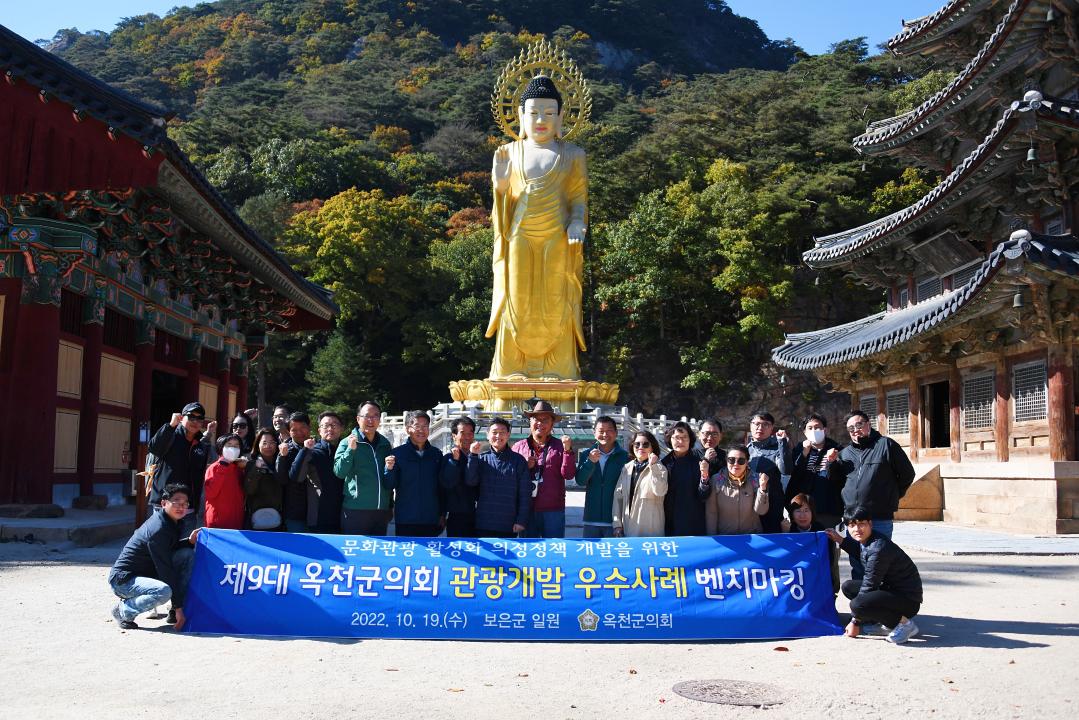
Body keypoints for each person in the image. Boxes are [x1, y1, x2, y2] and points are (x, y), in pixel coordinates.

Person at [487, 75, 588, 380]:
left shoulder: (572, 154)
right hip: (518, 235)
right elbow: (503, 200)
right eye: (533, 112)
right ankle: (510, 368)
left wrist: (576, 222)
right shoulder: (508, 152)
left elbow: (577, 198)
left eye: (548, 112)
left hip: (557, 236)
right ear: (520, 116)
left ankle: (559, 369)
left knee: (556, 298)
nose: (540, 119)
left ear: (560, 117)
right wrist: (501, 185)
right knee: (515, 298)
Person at [833, 410, 916, 578]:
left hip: (879, 517)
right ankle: (860, 601)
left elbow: (907, 474)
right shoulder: (845, 454)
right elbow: (838, 482)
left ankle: (880, 601)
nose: (855, 430)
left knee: (879, 561)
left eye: (859, 425)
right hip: (853, 520)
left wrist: (891, 496)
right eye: (851, 428)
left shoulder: (886, 445)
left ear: (868, 424)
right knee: (857, 561)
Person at [108, 483, 199, 631]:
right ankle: (123, 610)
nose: (181, 507)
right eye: (176, 503)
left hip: (147, 572)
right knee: (162, 591)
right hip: (123, 580)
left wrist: (188, 542)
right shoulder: (158, 529)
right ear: (163, 503)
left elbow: (169, 549)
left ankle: (178, 608)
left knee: (186, 555)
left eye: (185, 504)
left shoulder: (172, 522)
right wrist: (178, 607)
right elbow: (165, 569)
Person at [826, 505, 923, 644]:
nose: (857, 529)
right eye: (852, 525)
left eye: (862, 524)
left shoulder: (878, 548)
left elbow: (870, 585)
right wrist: (839, 539)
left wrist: (855, 621)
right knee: (848, 587)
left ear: (870, 523)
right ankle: (888, 623)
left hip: (908, 600)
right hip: (892, 591)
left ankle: (905, 625)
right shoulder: (868, 540)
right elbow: (860, 552)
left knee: (858, 604)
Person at [147, 402, 215, 536]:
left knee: (185, 548)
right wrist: (171, 425)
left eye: (199, 418)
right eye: (191, 417)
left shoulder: (200, 443)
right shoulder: (171, 435)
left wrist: (208, 436)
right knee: (161, 546)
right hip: (165, 505)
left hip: (188, 508)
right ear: (182, 418)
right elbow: (154, 448)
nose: (195, 422)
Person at [512, 399, 575, 538]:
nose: (540, 423)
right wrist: (525, 467)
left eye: (545, 420)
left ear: (552, 424)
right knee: (529, 552)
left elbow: (569, 474)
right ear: (530, 422)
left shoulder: (560, 446)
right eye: (536, 419)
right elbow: (511, 478)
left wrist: (567, 451)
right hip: (525, 509)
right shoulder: (518, 447)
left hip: (553, 509)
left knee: (554, 551)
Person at [466, 417, 532, 538]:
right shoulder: (481, 458)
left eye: (502, 432)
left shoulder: (518, 461)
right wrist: (473, 456)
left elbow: (525, 494)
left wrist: (521, 520)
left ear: (508, 435)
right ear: (487, 435)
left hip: (508, 523)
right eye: (494, 432)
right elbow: (471, 481)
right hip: (483, 522)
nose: (498, 436)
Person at [335, 401, 394, 535]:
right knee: (355, 552)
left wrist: (390, 504)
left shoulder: (385, 444)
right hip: (355, 510)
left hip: (381, 511)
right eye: (367, 416)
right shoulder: (347, 442)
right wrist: (350, 450)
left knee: (377, 553)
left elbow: (387, 477)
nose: (371, 420)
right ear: (358, 418)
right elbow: (339, 472)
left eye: (375, 416)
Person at [384, 411, 445, 537]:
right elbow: (389, 484)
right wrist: (388, 469)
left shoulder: (436, 454)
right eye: (417, 426)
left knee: (431, 555)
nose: (421, 430)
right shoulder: (397, 454)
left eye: (425, 426)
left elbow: (442, 487)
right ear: (408, 429)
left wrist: (442, 514)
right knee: (407, 553)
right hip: (406, 518)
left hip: (431, 517)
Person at [289, 411, 346, 534]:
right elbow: (296, 476)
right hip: (319, 515)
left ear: (342, 428)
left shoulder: (349, 450)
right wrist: (305, 450)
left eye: (334, 425)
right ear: (319, 430)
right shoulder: (313, 450)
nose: (330, 429)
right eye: (325, 426)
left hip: (346, 513)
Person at [575, 415, 629, 538]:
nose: (605, 435)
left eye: (609, 431)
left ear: (616, 433)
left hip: (616, 520)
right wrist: (590, 462)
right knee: (590, 556)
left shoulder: (625, 457)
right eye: (601, 431)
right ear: (594, 433)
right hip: (591, 519)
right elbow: (580, 481)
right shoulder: (586, 455)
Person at [786, 413, 844, 527]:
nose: (814, 430)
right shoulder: (798, 450)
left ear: (825, 430)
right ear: (804, 432)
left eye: (817, 427)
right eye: (810, 428)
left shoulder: (837, 450)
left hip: (829, 509)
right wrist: (803, 454)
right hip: (802, 510)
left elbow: (840, 478)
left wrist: (832, 462)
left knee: (828, 543)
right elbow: (793, 476)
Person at [700, 444, 770, 535]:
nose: (736, 464)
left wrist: (763, 488)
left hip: (752, 535)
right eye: (731, 460)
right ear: (726, 461)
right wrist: (713, 540)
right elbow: (711, 513)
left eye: (741, 461)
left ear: (747, 462)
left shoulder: (757, 479)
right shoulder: (716, 480)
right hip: (725, 537)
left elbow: (761, 511)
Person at [612, 431, 667, 537]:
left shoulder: (660, 468)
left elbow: (660, 491)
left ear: (652, 447)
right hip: (628, 528)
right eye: (637, 444)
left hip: (651, 531)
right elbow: (618, 498)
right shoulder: (626, 468)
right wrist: (617, 525)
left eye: (645, 444)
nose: (640, 447)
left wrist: (653, 466)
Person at [784, 492, 840, 594]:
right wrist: (786, 534)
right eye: (798, 511)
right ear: (792, 514)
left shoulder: (821, 531)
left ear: (812, 512)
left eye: (806, 510)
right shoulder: (788, 529)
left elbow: (829, 561)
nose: (802, 515)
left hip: (817, 577)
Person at [746, 412, 789, 533]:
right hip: (747, 504)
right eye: (757, 424)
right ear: (750, 426)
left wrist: (782, 443)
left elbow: (785, 470)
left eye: (765, 424)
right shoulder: (746, 449)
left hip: (772, 505)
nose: (760, 428)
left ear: (772, 428)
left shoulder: (778, 447)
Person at [662, 421, 707, 536]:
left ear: (690, 440)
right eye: (676, 438)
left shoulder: (699, 462)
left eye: (684, 438)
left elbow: (704, 495)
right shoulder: (663, 464)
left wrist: (704, 477)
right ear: (669, 439)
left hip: (693, 519)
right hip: (669, 519)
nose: (680, 441)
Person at [440, 416, 478, 538]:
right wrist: (455, 462)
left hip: (478, 514)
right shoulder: (448, 458)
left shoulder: (478, 457)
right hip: (457, 514)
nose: (467, 437)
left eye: (470, 433)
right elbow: (446, 485)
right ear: (454, 435)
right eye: (463, 433)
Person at [203, 433, 246, 530]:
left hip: (236, 520)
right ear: (221, 447)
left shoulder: (238, 468)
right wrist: (222, 467)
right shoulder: (214, 467)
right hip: (217, 522)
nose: (233, 448)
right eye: (229, 445)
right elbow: (211, 493)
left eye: (236, 446)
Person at [244, 427, 284, 530]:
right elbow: (249, 490)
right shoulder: (251, 463)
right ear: (258, 445)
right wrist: (257, 469)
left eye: (272, 442)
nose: (268, 446)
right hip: (257, 518)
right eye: (264, 443)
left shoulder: (281, 461)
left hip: (279, 518)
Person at [278, 412, 311, 533]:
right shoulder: (286, 450)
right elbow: (281, 480)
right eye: (294, 430)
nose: (299, 432)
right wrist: (282, 458)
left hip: (319, 511)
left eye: (303, 427)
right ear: (288, 431)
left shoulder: (318, 446)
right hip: (295, 511)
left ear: (309, 426)